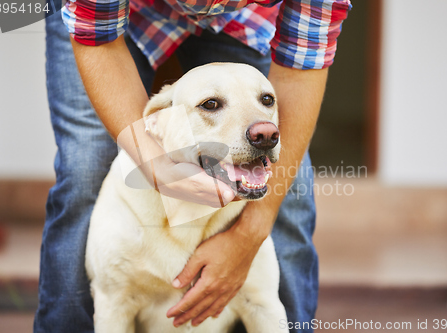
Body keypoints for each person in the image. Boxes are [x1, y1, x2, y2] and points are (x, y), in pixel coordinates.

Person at [33, 0, 351, 332]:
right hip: (114, 17)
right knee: (84, 169)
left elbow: (299, 77)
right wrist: (155, 166)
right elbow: (97, 35)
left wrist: (249, 235)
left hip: (247, 21)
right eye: (210, 104)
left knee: (290, 195)